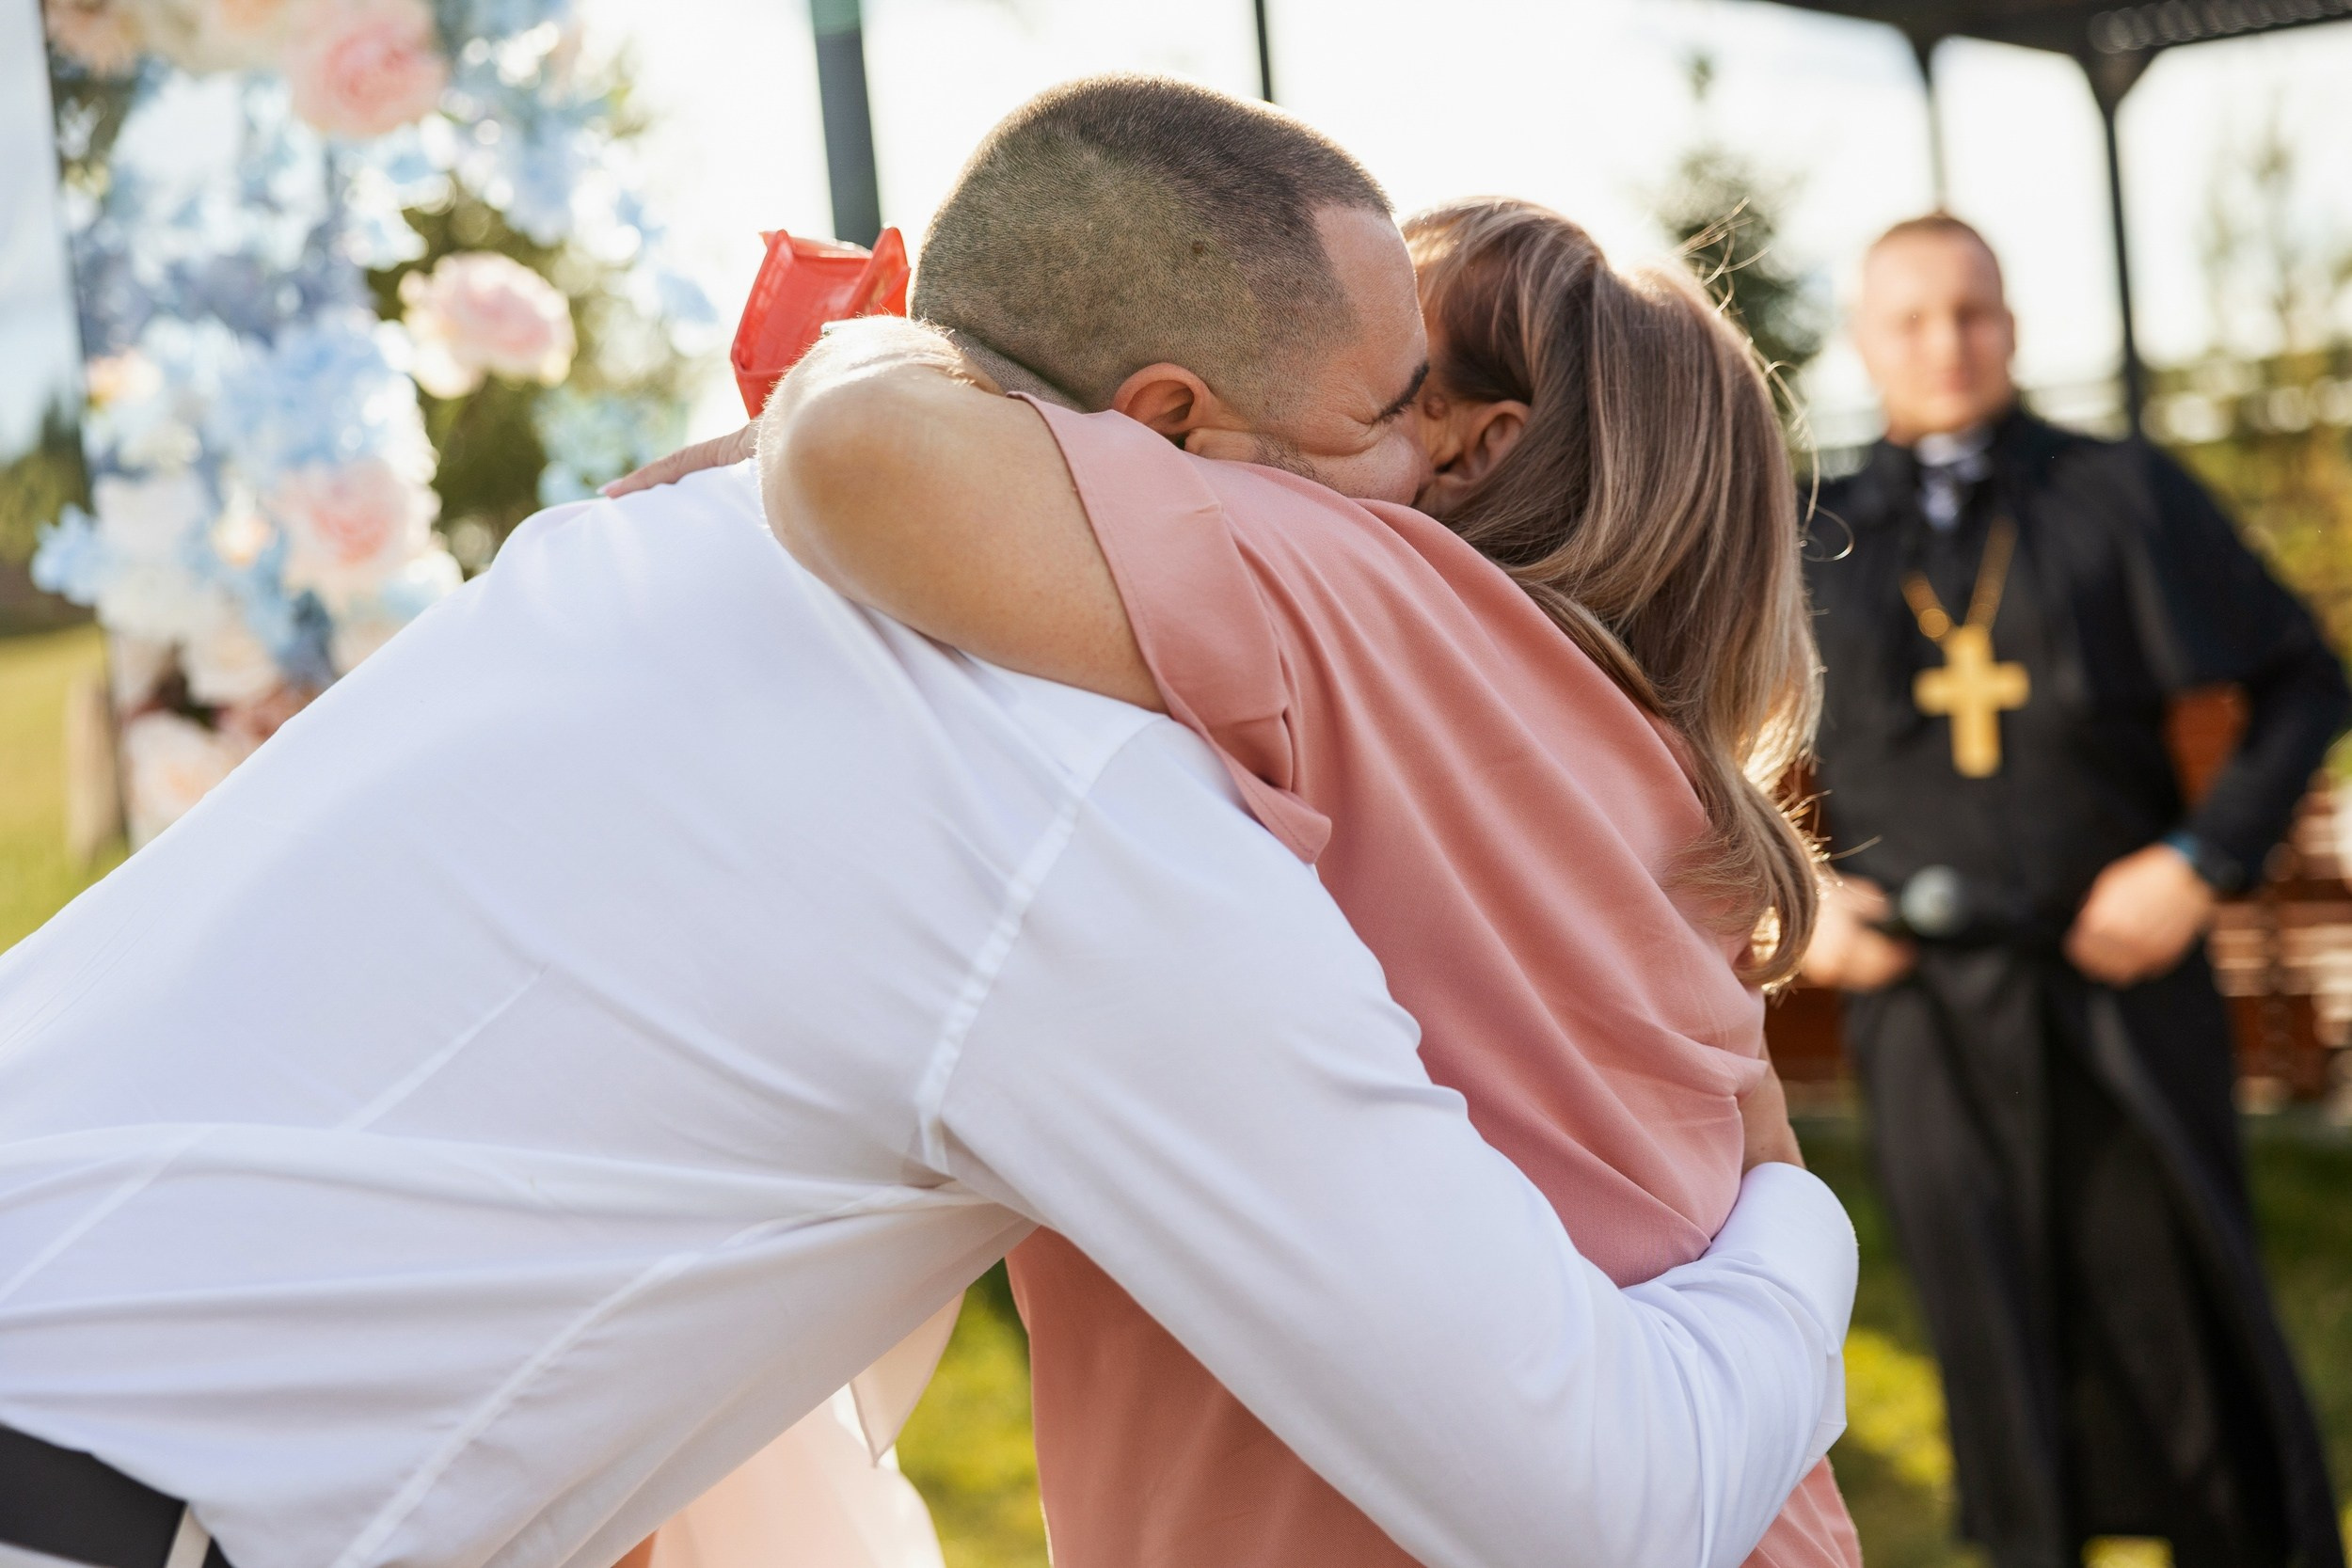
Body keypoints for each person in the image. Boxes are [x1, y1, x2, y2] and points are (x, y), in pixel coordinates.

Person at [0, 81, 1861, 1568]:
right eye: (1381, 420)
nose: (1402, 488)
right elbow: (1596, 1504)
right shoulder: (1080, 804)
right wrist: (1795, 1219)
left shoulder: (643, 548)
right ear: (1178, 438)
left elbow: (740, 1223)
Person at [619, 83, 1857, 1568]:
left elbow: (866, 457)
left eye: (1388, 388)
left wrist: (876, 364)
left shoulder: (1366, 595)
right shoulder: (1626, 750)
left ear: (1469, 450)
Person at [1798, 213, 2347, 1568]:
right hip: (1925, 1003)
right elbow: (1696, 747)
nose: (1947, 343)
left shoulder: (2119, 491)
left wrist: (2197, 863)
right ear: (1868, 342)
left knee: (2178, 1318)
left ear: (2014, 327)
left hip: (2120, 976)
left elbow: (2303, 679)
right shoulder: (1809, 530)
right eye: (1913, 319)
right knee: (1989, 1336)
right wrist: (1798, 903)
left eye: (1972, 312)